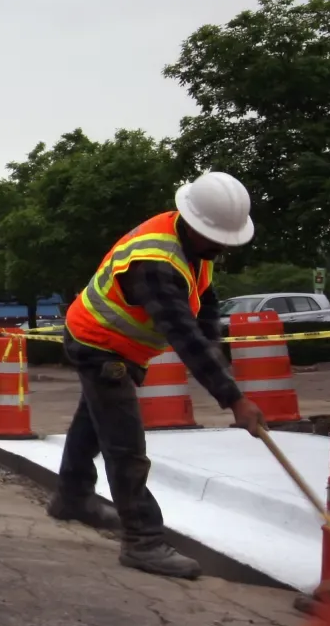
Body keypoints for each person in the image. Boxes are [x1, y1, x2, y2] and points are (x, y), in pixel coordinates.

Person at [49, 171, 267, 579]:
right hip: (98, 342)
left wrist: (222, 370)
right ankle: (143, 541)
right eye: (218, 239)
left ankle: (72, 497)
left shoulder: (193, 246)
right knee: (125, 444)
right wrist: (233, 398)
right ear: (196, 224)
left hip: (112, 340)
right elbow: (183, 335)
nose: (222, 248)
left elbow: (204, 311)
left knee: (91, 424)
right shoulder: (156, 263)